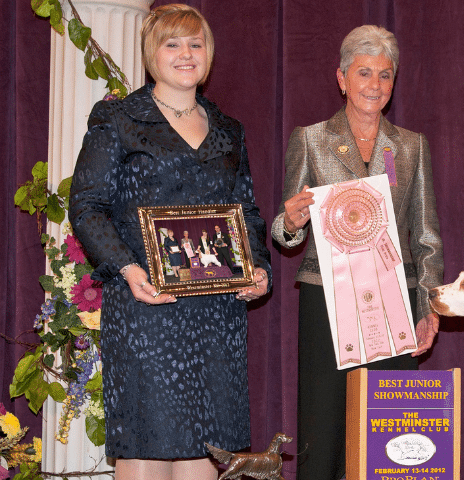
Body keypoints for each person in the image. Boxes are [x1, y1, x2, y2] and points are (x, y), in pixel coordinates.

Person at [68, 5, 271, 480]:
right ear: (151, 54)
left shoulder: (229, 129)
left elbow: (247, 213)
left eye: (196, 43)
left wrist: (257, 268)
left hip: (216, 313)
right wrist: (129, 270)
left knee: (205, 447)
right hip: (146, 308)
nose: (186, 54)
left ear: (209, 54)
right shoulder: (118, 118)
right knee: (147, 446)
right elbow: (87, 206)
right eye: (172, 43)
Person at [271, 25, 443, 480]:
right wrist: (289, 223)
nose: (375, 84)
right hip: (325, 301)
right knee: (322, 431)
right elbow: (285, 230)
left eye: (385, 75)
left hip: (396, 303)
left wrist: (428, 306)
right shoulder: (309, 139)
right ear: (342, 78)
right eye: (364, 73)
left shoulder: (411, 146)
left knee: (393, 439)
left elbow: (426, 237)